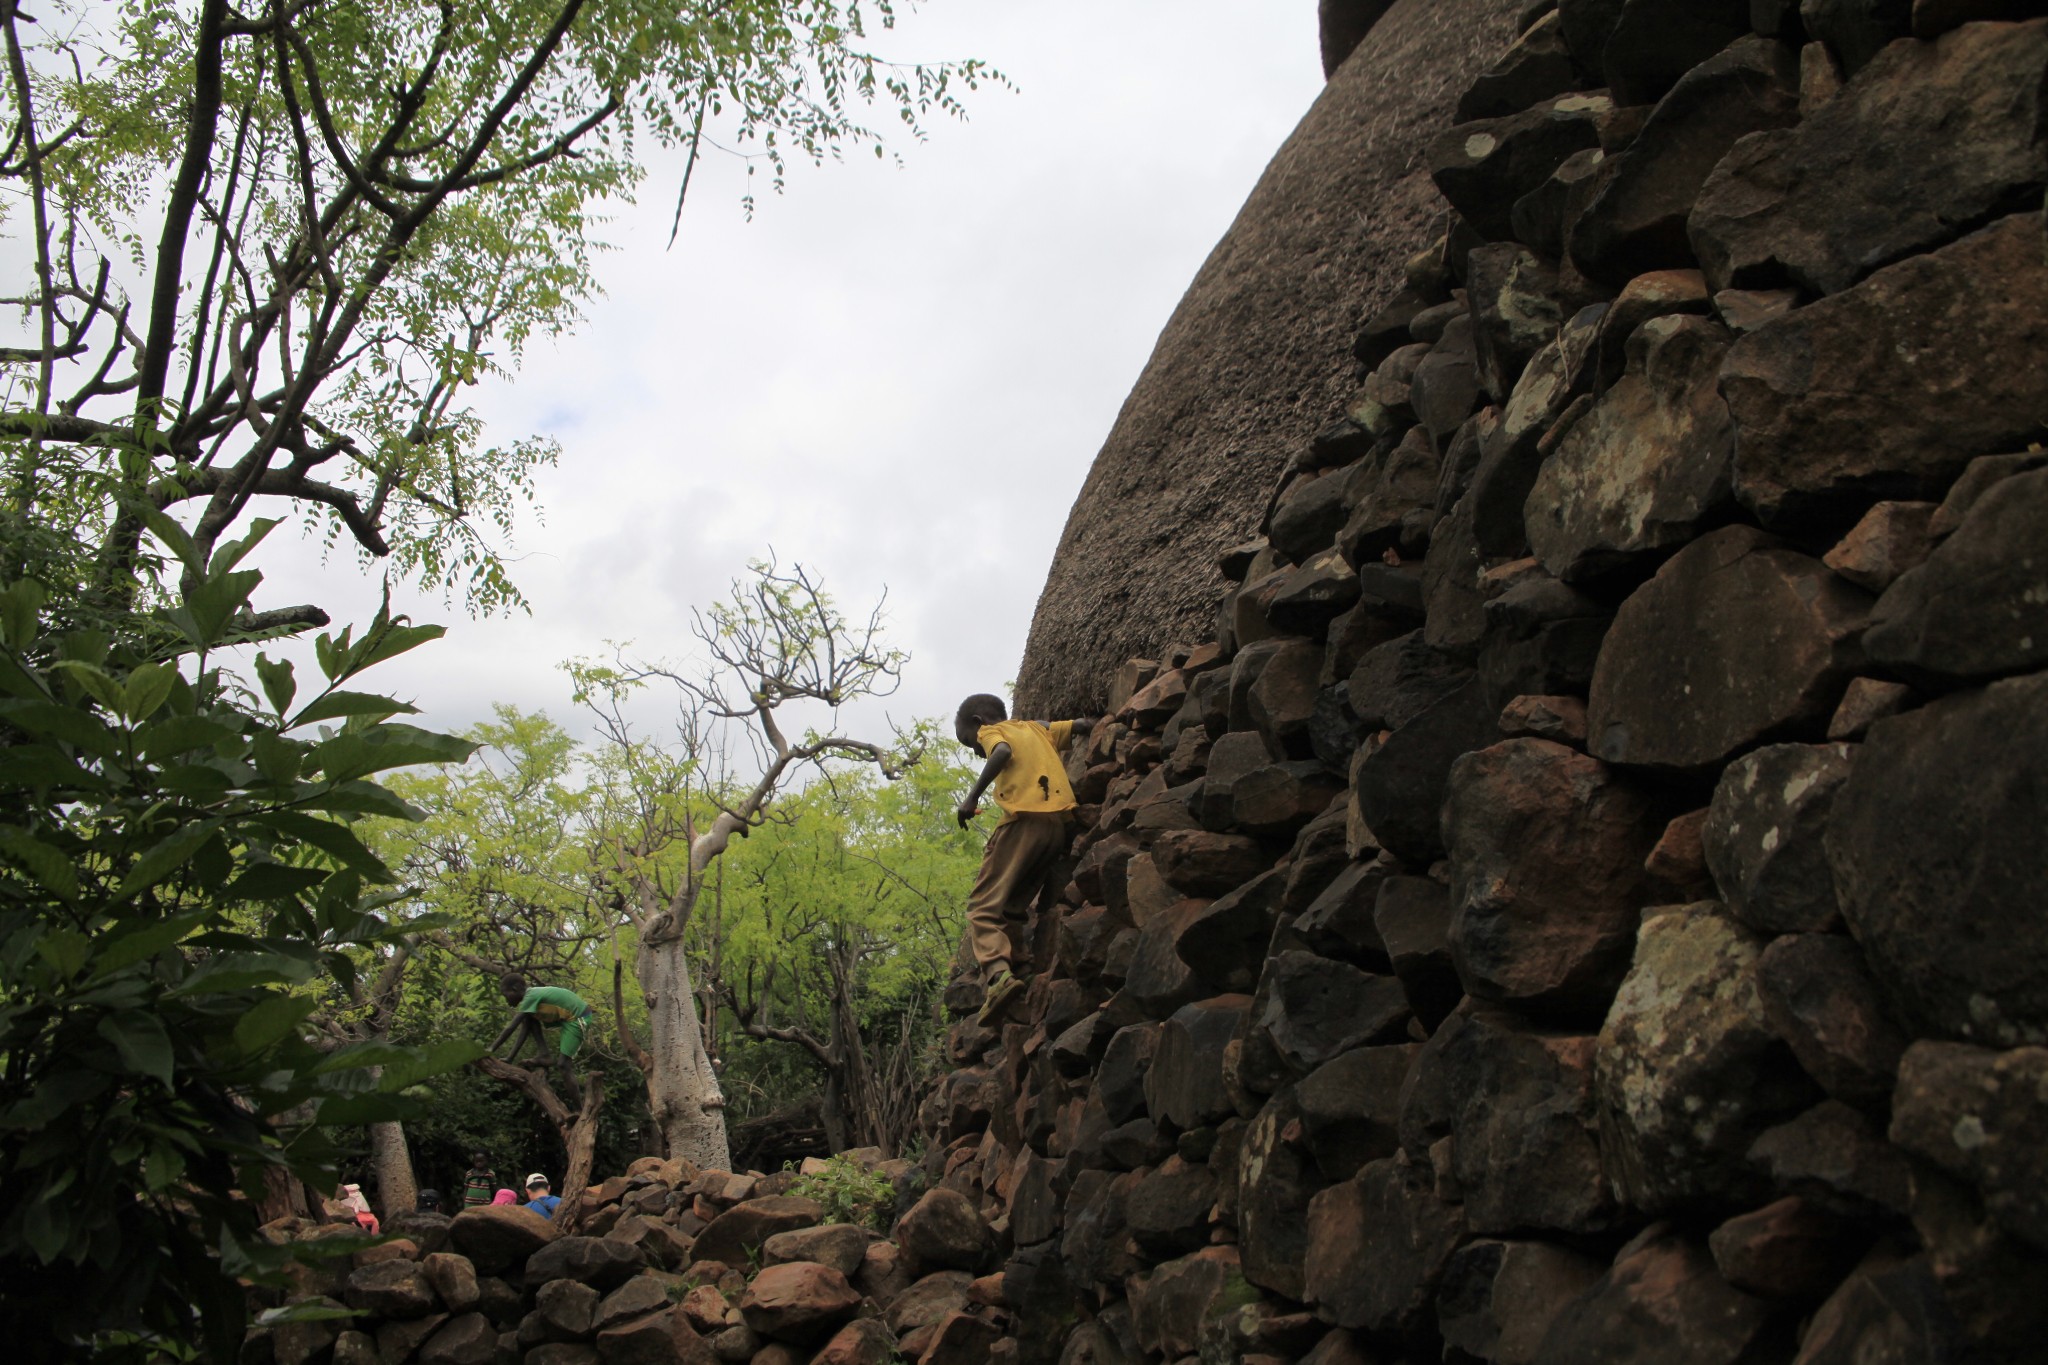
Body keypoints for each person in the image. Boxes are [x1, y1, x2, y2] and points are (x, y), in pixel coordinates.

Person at [952, 693, 1094, 1025]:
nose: (974, 749)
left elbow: (1001, 751)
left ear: (978, 723)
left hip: (1023, 822)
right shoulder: (1035, 728)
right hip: (1056, 828)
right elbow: (1081, 726)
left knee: (983, 908)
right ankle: (1023, 971)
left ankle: (998, 976)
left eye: (967, 741)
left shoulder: (992, 732)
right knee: (1012, 908)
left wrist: (970, 798)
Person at [491, 973, 594, 1105]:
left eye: (506, 995)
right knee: (529, 1019)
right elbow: (525, 1029)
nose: (506, 1000)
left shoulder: (531, 996)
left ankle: (580, 1111)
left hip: (579, 1017)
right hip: (567, 1017)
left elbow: (511, 1027)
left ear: (516, 988)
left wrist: (491, 1048)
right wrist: (510, 1058)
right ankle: (544, 1054)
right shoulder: (530, 999)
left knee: (563, 1065)